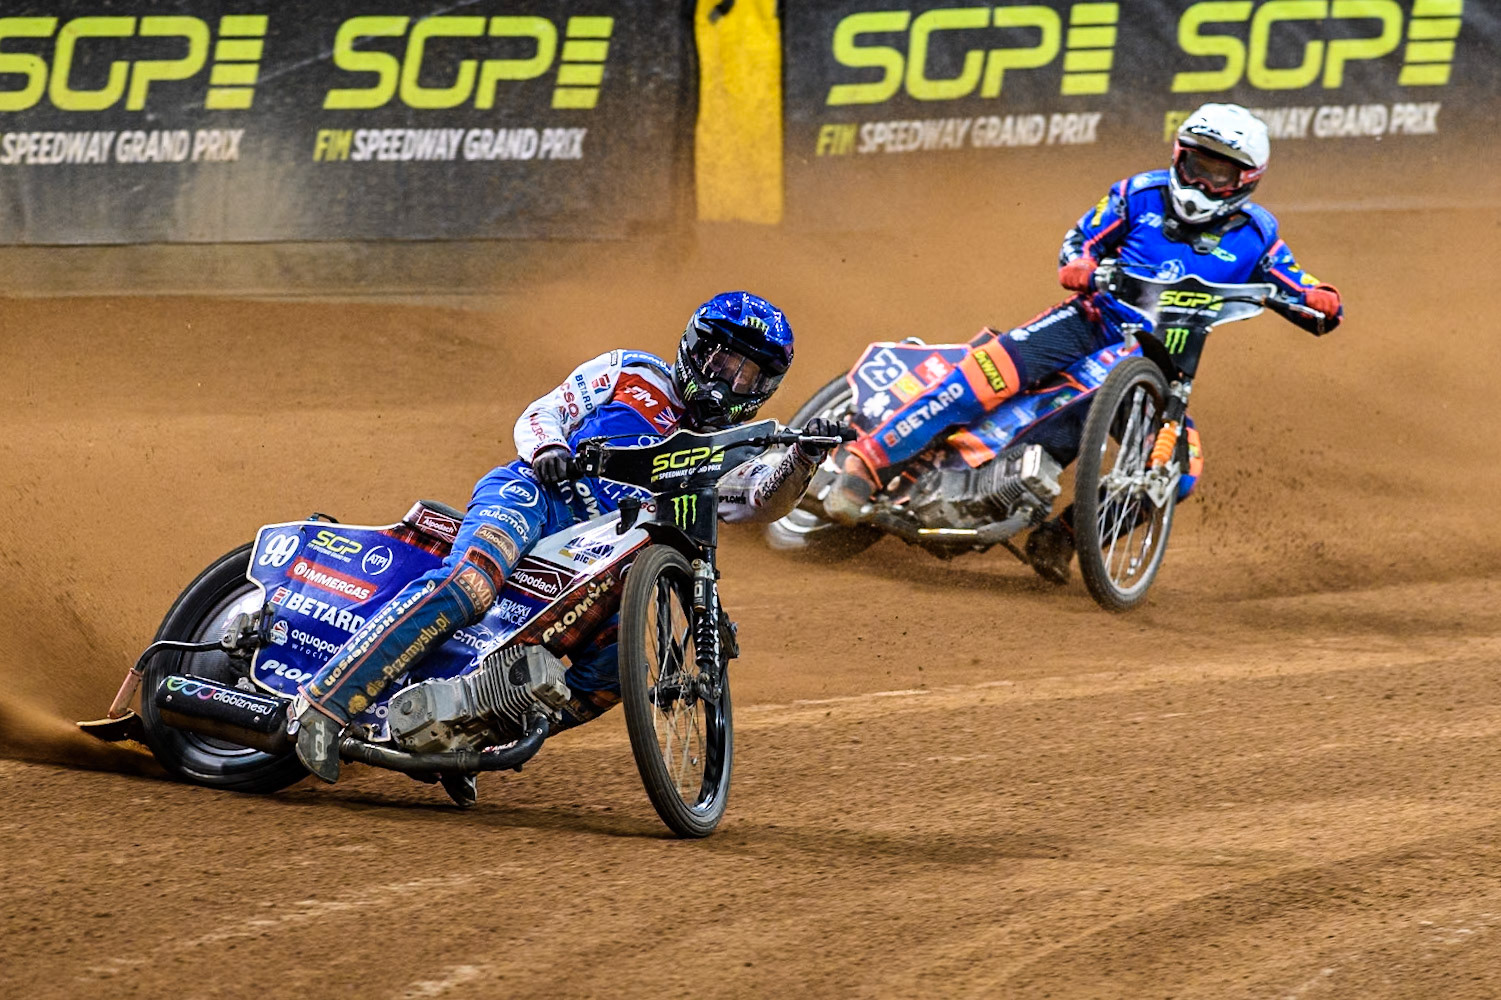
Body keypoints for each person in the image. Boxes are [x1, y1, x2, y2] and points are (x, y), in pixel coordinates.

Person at [288, 292, 836, 785]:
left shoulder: (734, 446)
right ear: (698, 348)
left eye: (748, 375)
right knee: (471, 586)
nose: (728, 382)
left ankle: (470, 730)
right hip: (535, 495)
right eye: (724, 362)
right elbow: (545, 411)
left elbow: (761, 500)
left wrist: (804, 455)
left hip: (601, 558)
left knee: (618, 669)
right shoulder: (631, 372)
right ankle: (324, 705)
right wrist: (549, 447)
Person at [824, 102, 1344, 581]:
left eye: (1218, 171)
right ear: (1178, 156)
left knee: (1180, 472)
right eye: (1195, 164)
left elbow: (1293, 281)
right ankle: (865, 466)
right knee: (985, 376)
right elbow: (1080, 240)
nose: (1201, 179)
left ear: (1244, 180)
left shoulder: (1257, 231)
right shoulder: (1138, 193)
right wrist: (1081, 266)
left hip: (1156, 364)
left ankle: (1067, 536)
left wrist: (1321, 297)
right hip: (1088, 320)